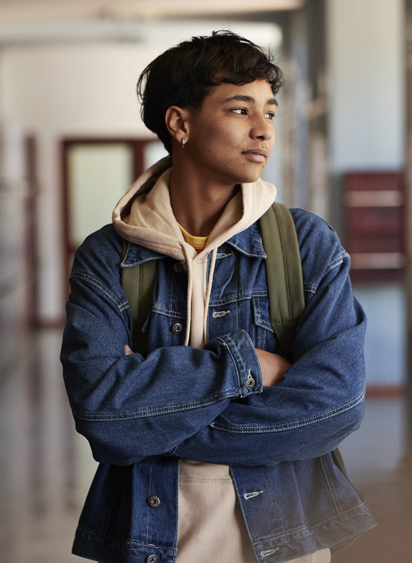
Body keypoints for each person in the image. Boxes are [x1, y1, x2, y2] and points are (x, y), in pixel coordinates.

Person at [60, 31, 374, 563]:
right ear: (180, 123)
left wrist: (151, 422)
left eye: (270, 113)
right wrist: (248, 367)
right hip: (151, 537)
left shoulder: (305, 244)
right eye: (239, 109)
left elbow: (336, 405)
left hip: (285, 537)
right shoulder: (106, 257)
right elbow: (101, 414)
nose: (263, 131)